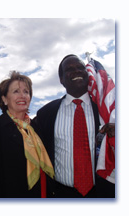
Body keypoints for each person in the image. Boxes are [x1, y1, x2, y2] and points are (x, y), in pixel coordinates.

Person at [34, 54, 115, 198]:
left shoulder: (105, 112)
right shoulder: (45, 114)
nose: (77, 71)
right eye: (69, 69)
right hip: (60, 195)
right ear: (61, 79)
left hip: (102, 193)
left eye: (80, 67)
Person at [0, 71, 54, 198]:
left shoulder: (36, 128)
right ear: (4, 99)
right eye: (16, 91)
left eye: (26, 92)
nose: (22, 96)